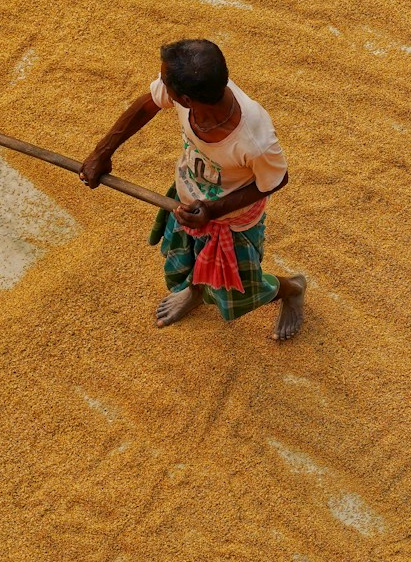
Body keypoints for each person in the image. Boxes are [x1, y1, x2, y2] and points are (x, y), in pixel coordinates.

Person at [79, 39, 305, 341]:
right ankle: (195, 292)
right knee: (191, 260)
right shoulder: (200, 92)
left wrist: (212, 210)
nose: (161, 85)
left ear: (184, 99)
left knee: (242, 289)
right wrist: (102, 152)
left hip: (232, 223)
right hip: (187, 199)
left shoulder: (256, 140)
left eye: (166, 84)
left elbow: (275, 181)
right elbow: (147, 103)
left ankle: (292, 288)